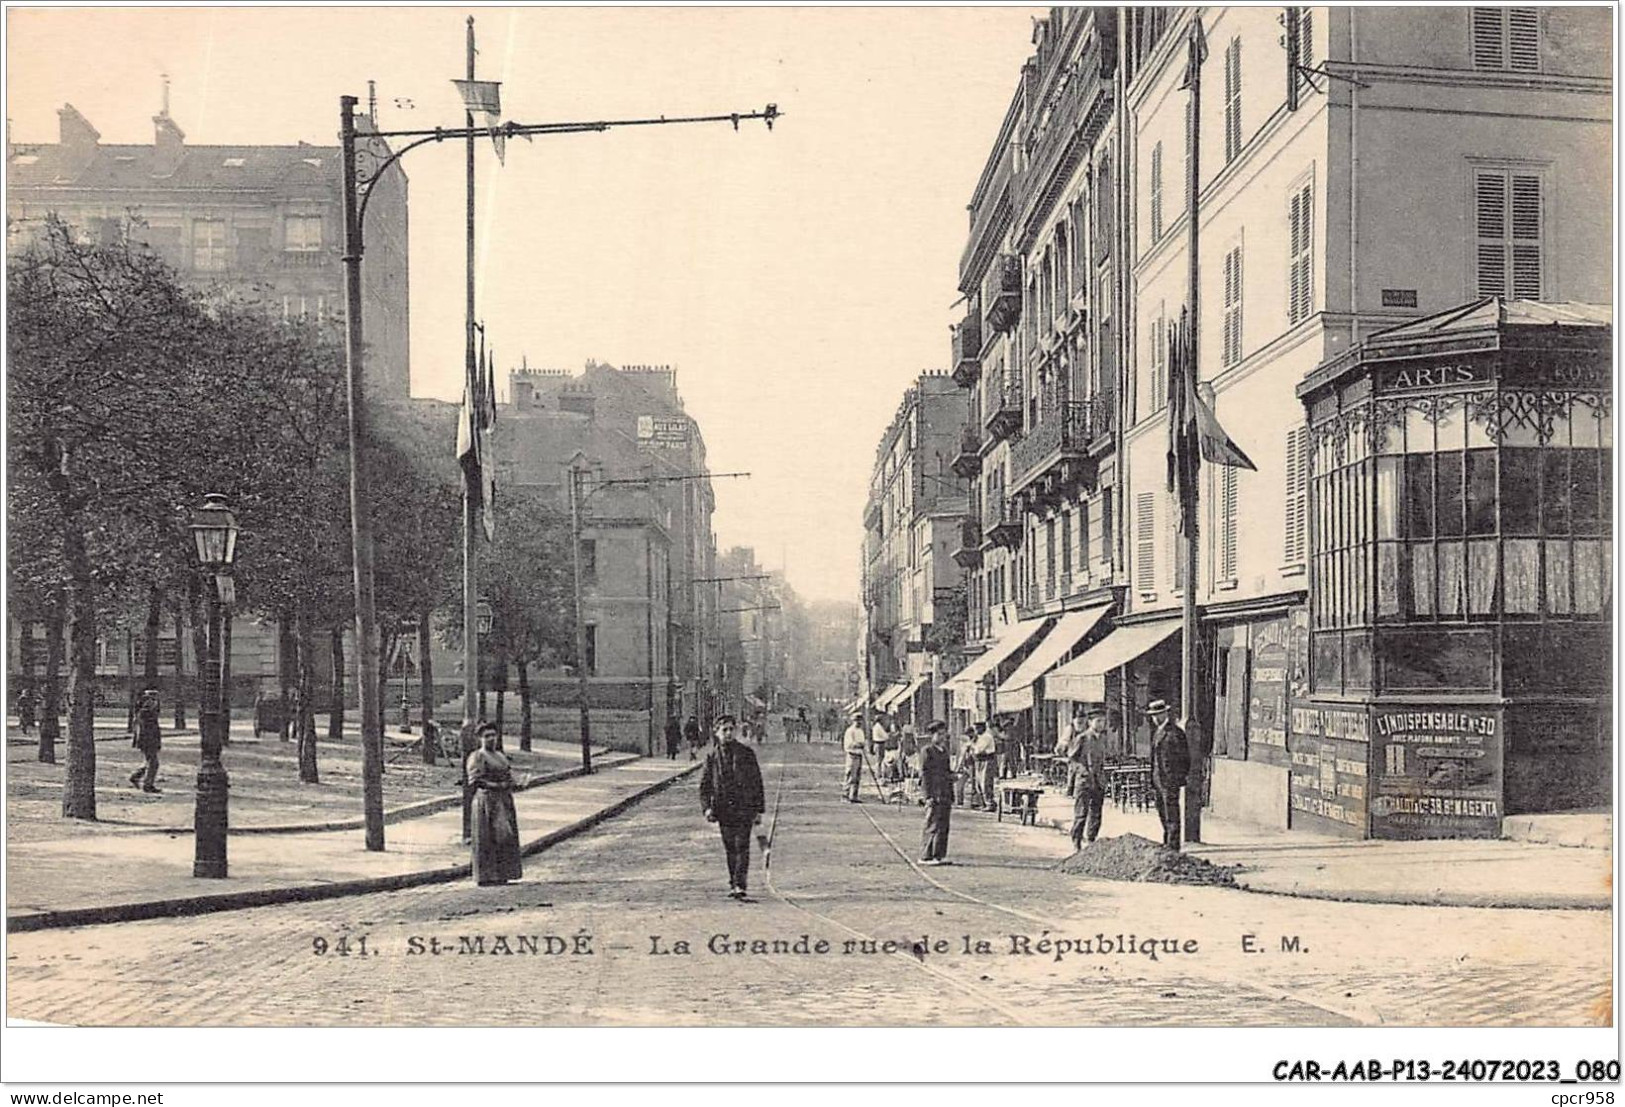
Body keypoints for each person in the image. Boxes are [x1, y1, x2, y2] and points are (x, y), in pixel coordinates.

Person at [699, 714, 765, 900]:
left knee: (741, 846)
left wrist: (759, 810)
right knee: (730, 848)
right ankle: (733, 881)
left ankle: (740, 885)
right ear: (717, 732)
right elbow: (705, 786)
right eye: (724, 730)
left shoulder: (746, 754)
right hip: (723, 810)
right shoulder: (712, 757)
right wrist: (707, 808)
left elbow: (756, 782)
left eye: (731, 729)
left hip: (744, 809)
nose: (728, 733)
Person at [466, 723, 523, 886]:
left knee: (506, 835)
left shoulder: (500, 756)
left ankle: (503, 872)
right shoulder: (478, 756)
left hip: (503, 799)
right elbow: (475, 781)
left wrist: (516, 783)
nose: (491, 739)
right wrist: (497, 786)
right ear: (480, 739)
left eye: (493, 735)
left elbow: (508, 774)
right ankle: (487, 875)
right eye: (487, 736)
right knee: (488, 836)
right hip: (486, 800)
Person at [1148, 699, 1191, 852]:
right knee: (1162, 812)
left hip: (1170, 780)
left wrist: (1178, 778)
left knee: (1171, 814)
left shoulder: (1175, 733)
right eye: (1153, 715)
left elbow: (1185, 758)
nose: (1154, 718)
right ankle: (1167, 843)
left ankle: (1173, 847)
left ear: (1164, 713)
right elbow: (1153, 758)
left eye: (1157, 714)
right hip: (1158, 780)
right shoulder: (1157, 732)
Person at [1068, 705, 1110, 850]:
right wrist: (1082, 771)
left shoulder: (1103, 739)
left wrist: (1104, 776)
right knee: (1081, 813)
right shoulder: (1082, 738)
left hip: (1098, 782)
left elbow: (1104, 759)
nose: (1101, 724)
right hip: (1084, 781)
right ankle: (1076, 841)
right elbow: (1072, 760)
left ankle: (1091, 840)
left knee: (1096, 813)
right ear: (1090, 722)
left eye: (1103, 721)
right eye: (1098, 721)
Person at [918, 721, 955, 865]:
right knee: (932, 823)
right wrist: (927, 795)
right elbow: (925, 775)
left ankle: (939, 855)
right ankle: (926, 855)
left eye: (944, 733)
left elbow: (946, 772)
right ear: (932, 735)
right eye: (939, 734)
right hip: (934, 792)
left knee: (943, 825)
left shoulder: (944, 751)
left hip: (945, 791)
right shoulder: (927, 751)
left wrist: (953, 776)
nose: (942, 737)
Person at [127, 688, 162, 792]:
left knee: (149, 761)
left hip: (146, 739)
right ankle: (148, 785)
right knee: (154, 763)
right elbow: (147, 727)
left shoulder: (143, 710)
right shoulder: (147, 710)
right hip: (148, 739)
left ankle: (136, 776)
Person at [970, 722, 998, 810]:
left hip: (986, 760)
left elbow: (979, 750)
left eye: (978, 728)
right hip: (978, 761)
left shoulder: (987, 737)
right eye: (975, 729)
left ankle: (990, 803)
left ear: (983, 728)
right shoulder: (978, 737)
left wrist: (972, 746)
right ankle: (983, 803)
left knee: (985, 782)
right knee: (978, 783)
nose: (976, 730)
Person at [841, 713, 867, 802]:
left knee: (857, 777)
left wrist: (861, 745)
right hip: (852, 755)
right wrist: (857, 744)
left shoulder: (860, 731)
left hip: (859, 755)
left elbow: (863, 742)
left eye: (860, 721)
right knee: (850, 775)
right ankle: (845, 795)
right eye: (857, 721)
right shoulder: (850, 731)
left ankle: (854, 796)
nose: (859, 722)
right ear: (853, 721)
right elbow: (848, 744)